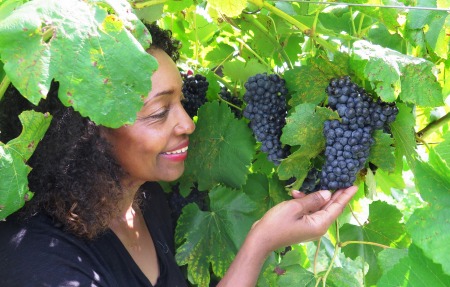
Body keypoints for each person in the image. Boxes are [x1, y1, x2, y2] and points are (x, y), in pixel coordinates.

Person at [0, 23, 357, 287]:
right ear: (87, 132)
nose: (188, 123)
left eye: (182, 102)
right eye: (158, 112)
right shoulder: (39, 264)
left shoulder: (143, 200)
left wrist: (262, 237)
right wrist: (260, 242)